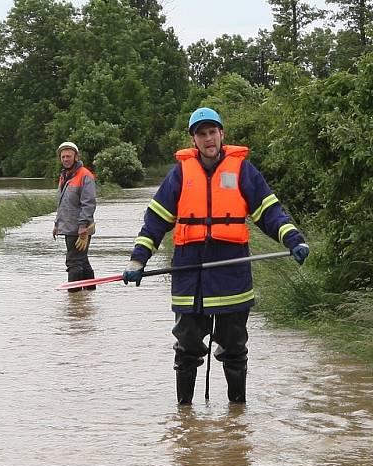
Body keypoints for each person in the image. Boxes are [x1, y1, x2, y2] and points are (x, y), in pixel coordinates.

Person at [121, 107, 310, 404]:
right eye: (201, 133)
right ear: (193, 139)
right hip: (189, 276)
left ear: (222, 134)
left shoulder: (243, 170)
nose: (208, 138)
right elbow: (155, 221)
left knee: (234, 347)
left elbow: (270, 212)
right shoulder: (180, 175)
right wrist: (137, 260)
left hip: (231, 275)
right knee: (187, 347)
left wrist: (293, 239)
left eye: (212, 132)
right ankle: (185, 418)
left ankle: (237, 415)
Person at [53, 141, 97, 292]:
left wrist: (83, 226)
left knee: (73, 263)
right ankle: (89, 295)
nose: (65, 159)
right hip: (68, 227)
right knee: (82, 261)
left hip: (79, 230)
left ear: (76, 157)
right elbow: (62, 203)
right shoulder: (64, 176)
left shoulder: (85, 175)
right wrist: (56, 224)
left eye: (68, 156)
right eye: (63, 156)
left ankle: (73, 301)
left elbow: (89, 203)